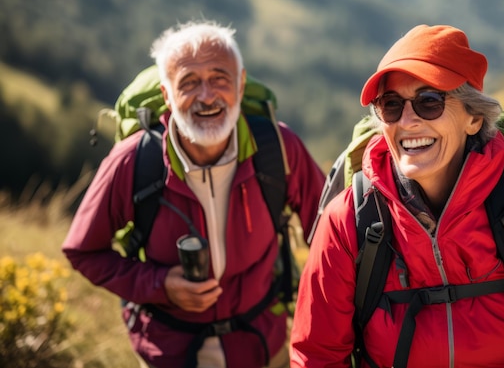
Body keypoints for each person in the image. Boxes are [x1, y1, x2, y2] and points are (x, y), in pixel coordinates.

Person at [290, 24, 504, 367]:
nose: (408, 121)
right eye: (392, 105)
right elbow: (317, 357)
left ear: (474, 118)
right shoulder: (349, 220)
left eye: (429, 102)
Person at [62, 20, 325, 368]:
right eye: (188, 83)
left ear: (241, 84)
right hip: (169, 351)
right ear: (166, 94)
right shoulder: (134, 161)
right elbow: (83, 252)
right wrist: (158, 284)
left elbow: (328, 236)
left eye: (220, 78)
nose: (206, 95)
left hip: (262, 346)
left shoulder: (278, 148)